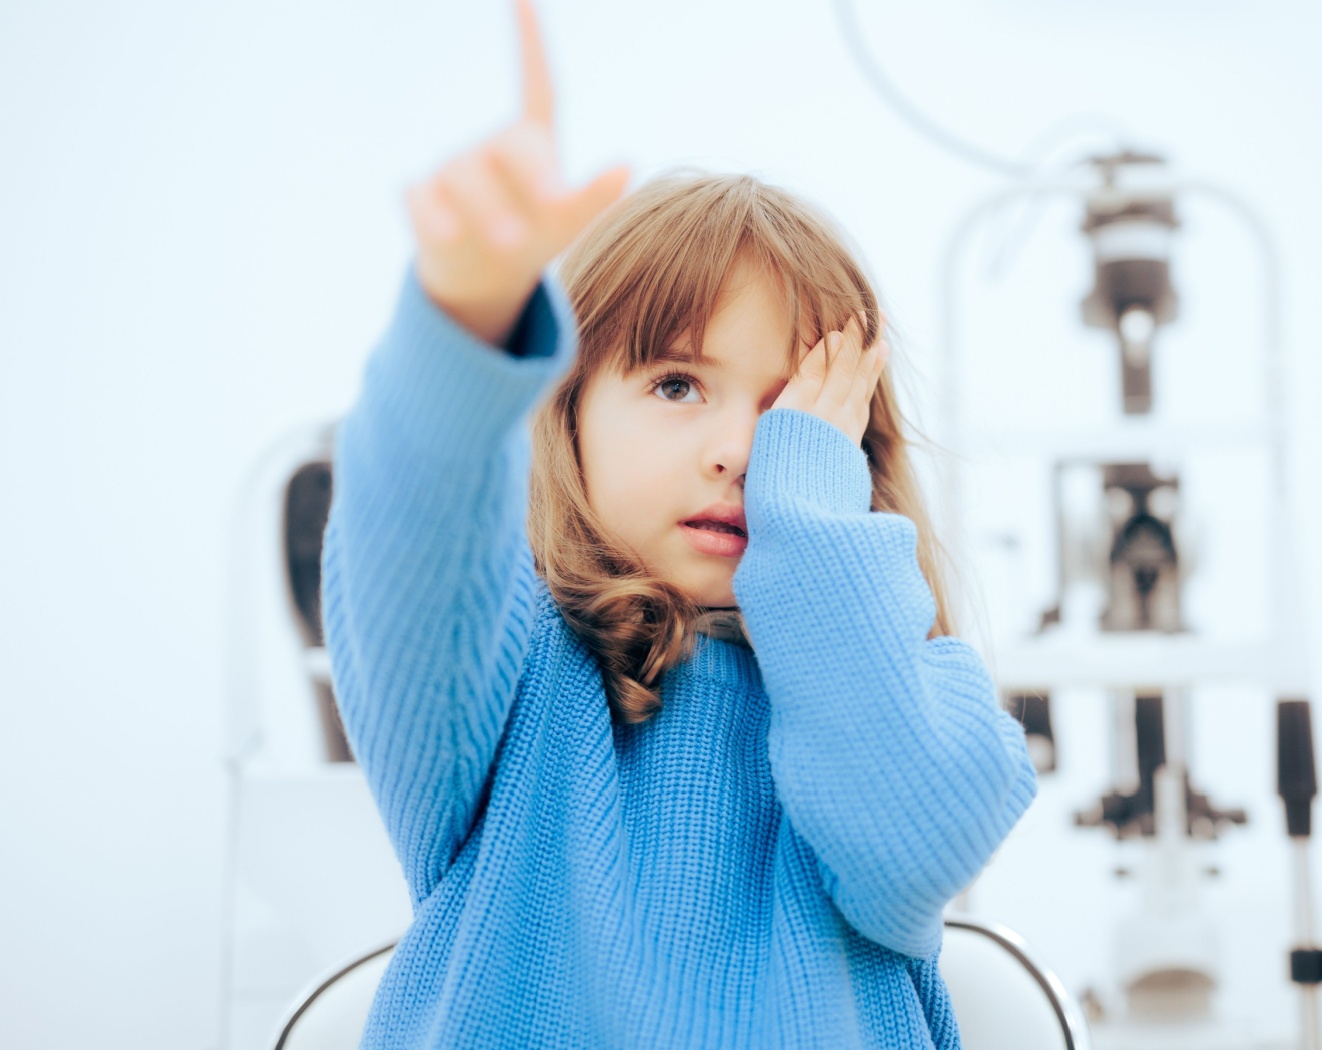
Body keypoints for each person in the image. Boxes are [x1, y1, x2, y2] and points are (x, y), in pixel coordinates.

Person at [321, 1, 1037, 1045]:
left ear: (848, 465)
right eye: (674, 384)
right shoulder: (508, 676)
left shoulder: (926, 694)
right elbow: (413, 543)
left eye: (792, 412)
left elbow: (910, 842)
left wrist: (808, 526)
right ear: (563, 411)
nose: (742, 453)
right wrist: (463, 319)